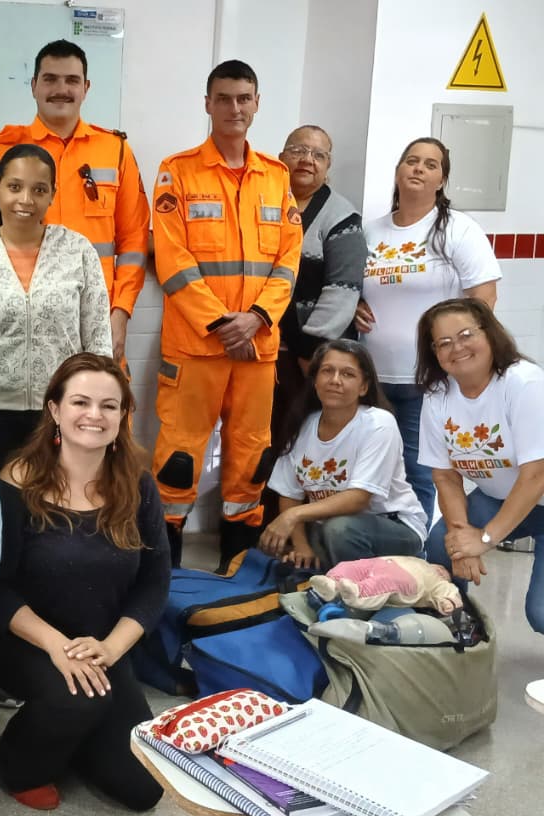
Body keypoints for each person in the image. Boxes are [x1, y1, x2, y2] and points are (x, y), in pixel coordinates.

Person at [0, 352, 168, 812]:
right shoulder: (16, 483)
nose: (94, 415)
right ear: (55, 409)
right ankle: (18, 757)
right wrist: (57, 646)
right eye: (80, 402)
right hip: (24, 640)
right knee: (77, 701)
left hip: (100, 645)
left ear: (122, 415)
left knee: (143, 789)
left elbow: (155, 581)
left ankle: (73, 733)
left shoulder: (139, 485)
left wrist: (112, 649)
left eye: (109, 405)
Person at [150, 60, 302, 571]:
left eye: (243, 98)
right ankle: (165, 572)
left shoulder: (276, 177)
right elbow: (171, 259)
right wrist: (221, 324)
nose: (234, 108)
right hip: (196, 347)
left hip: (257, 345)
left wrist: (256, 318)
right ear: (208, 103)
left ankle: (237, 569)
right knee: (178, 458)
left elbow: (288, 261)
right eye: (224, 98)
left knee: (252, 457)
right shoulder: (178, 171)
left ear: (256, 104)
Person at [356, 137, 500, 522]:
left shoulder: (458, 229)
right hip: (373, 378)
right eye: (412, 161)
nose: (419, 168)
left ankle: (413, 549)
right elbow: (350, 287)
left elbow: (484, 299)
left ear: (441, 181)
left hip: (428, 379)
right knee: (373, 471)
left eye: (431, 164)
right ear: (398, 171)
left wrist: (459, 358)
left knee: (419, 472)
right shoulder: (371, 232)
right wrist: (352, 305)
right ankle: (379, 547)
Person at [0, 144, 112, 468]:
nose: (26, 200)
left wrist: (98, 404)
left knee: (59, 496)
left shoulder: (77, 251)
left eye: (39, 190)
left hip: (62, 411)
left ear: (52, 194)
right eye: (14, 187)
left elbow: (98, 339)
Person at [0, 40, 150, 363]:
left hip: (97, 318)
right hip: (23, 318)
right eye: (50, 79)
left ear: (86, 87)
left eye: (72, 80)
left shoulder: (115, 150)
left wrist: (121, 313)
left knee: (102, 396)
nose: (61, 90)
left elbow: (134, 240)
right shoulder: (1, 150)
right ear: (34, 86)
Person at [419, 299, 544, 644]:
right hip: (503, 499)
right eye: (444, 342)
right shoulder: (437, 396)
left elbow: (536, 475)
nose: (457, 348)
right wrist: (462, 540)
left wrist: (485, 539)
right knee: (441, 543)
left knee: (541, 614)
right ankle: (457, 627)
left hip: (534, 491)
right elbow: (445, 476)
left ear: (489, 333)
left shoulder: (524, 382)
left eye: (465, 335)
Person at [260, 340, 426, 569]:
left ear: (363, 387)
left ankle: (376, 581)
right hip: (328, 526)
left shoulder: (379, 423)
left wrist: (292, 516)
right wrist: (301, 546)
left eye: (348, 374)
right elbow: (289, 493)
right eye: (327, 371)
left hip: (393, 525)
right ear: (315, 380)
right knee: (285, 550)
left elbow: (358, 498)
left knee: (339, 530)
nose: (335, 380)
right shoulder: (303, 424)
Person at [272, 125, 367, 437]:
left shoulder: (341, 216)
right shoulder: (263, 204)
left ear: (327, 166)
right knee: (265, 436)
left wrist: (309, 351)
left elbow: (343, 289)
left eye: (318, 155)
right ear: (281, 157)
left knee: (308, 433)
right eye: (298, 150)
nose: (307, 160)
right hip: (264, 346)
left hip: (314, 355)